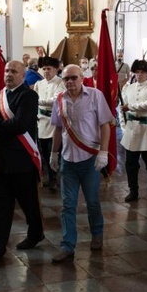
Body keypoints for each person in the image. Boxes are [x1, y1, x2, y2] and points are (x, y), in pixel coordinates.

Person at [0, 60, 44, 269]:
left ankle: (35, 233)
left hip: (21, 162)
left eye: (14, 71)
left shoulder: (29, 96)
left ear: (23, 76)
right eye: (6, 70)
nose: (9, 74)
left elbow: (20, 125)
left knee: (29, 203)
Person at [49, 64, 113, 263]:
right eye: (66, 78)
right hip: (68, 160)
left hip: (89, 159)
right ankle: (68, 245)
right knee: (68, 205)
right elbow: (58, 129)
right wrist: (53, 153)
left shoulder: (95, 96)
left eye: (74, 78)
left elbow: (105, 125)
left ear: (82, 77)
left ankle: (97, 233)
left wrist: (103, 152)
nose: (70, 82)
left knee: (92, 201)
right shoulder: (59, 100)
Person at [120, 60, 147, 202]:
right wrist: (123, 126)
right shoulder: (129, 87)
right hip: (132, 129)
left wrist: (130, 107)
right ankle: (133, 190)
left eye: (142, 72)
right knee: (130, 162)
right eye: (136, 72)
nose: (139, 75)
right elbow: (122, 109)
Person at [33, 55, 65, 192]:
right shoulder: (38, 84)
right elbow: (34, 102)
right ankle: (50, 175)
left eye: (49, 69)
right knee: (44, 152)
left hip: (54, 123)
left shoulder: (60, 83)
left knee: (54, 151)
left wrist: (37, 101)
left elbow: (55, 100)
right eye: (44, 69)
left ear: (56, 69)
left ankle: (54, 178)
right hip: (41, 123)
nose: (46, 71)